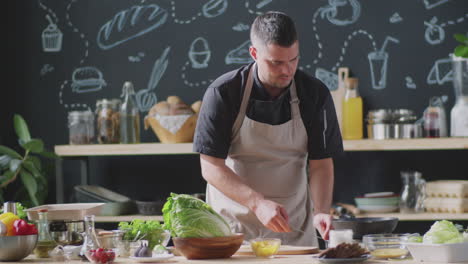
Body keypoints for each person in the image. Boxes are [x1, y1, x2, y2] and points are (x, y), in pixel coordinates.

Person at [193, 11, 343, 246]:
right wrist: (257, 203)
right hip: (232, 229)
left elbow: (321, 163)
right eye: (276, 62)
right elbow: (211, 167)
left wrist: (322, 210)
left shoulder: (314, 94)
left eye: (293, 59)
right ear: (254, 53)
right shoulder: (223, 92)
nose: (287, 70)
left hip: (292, 228)